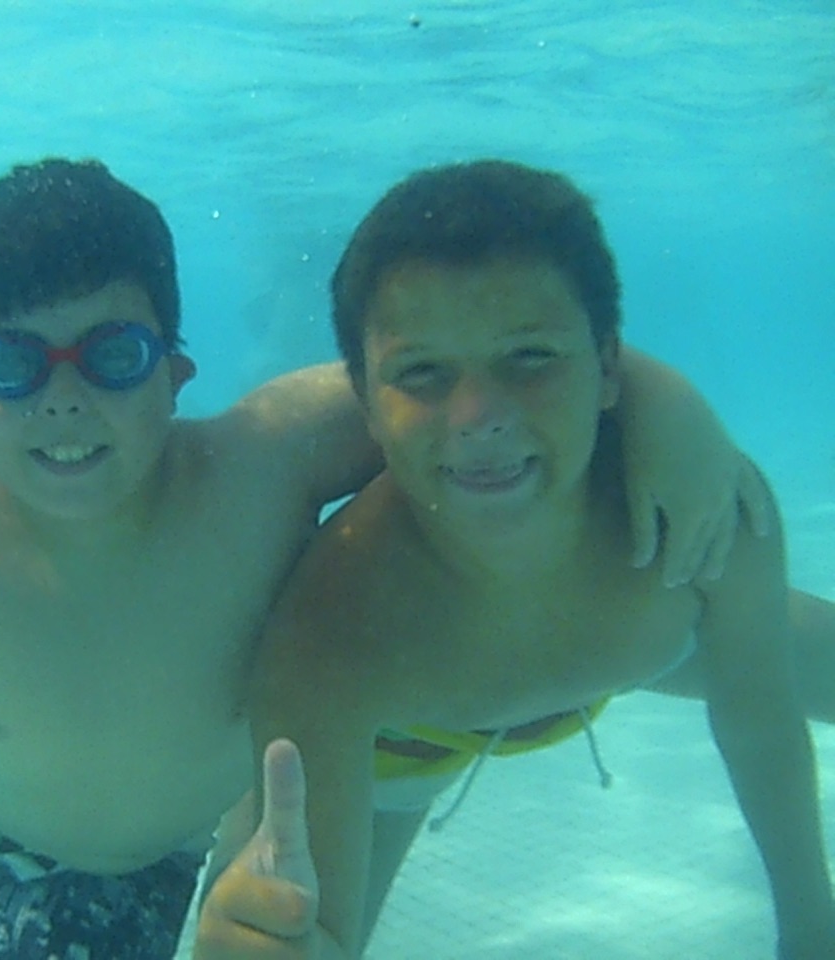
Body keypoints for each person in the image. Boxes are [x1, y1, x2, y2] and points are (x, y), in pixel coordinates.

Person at [0, 158, 758, 960]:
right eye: (12, 366)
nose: (61, 402)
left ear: (175, 368)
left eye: (110, 355)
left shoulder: (266, 457)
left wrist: (667, 405)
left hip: (135, 867)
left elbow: (464, 372)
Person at [196, 160, 835, 960]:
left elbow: (761, 724)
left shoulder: (702, 519)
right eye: (422, 373)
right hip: (407, 742)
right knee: (261, 931)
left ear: (610, 368)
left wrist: (812, 932)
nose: (479, 417)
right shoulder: (333, 637)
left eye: (530, 357)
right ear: (364, 405)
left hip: (626, 643)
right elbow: (309, 928)